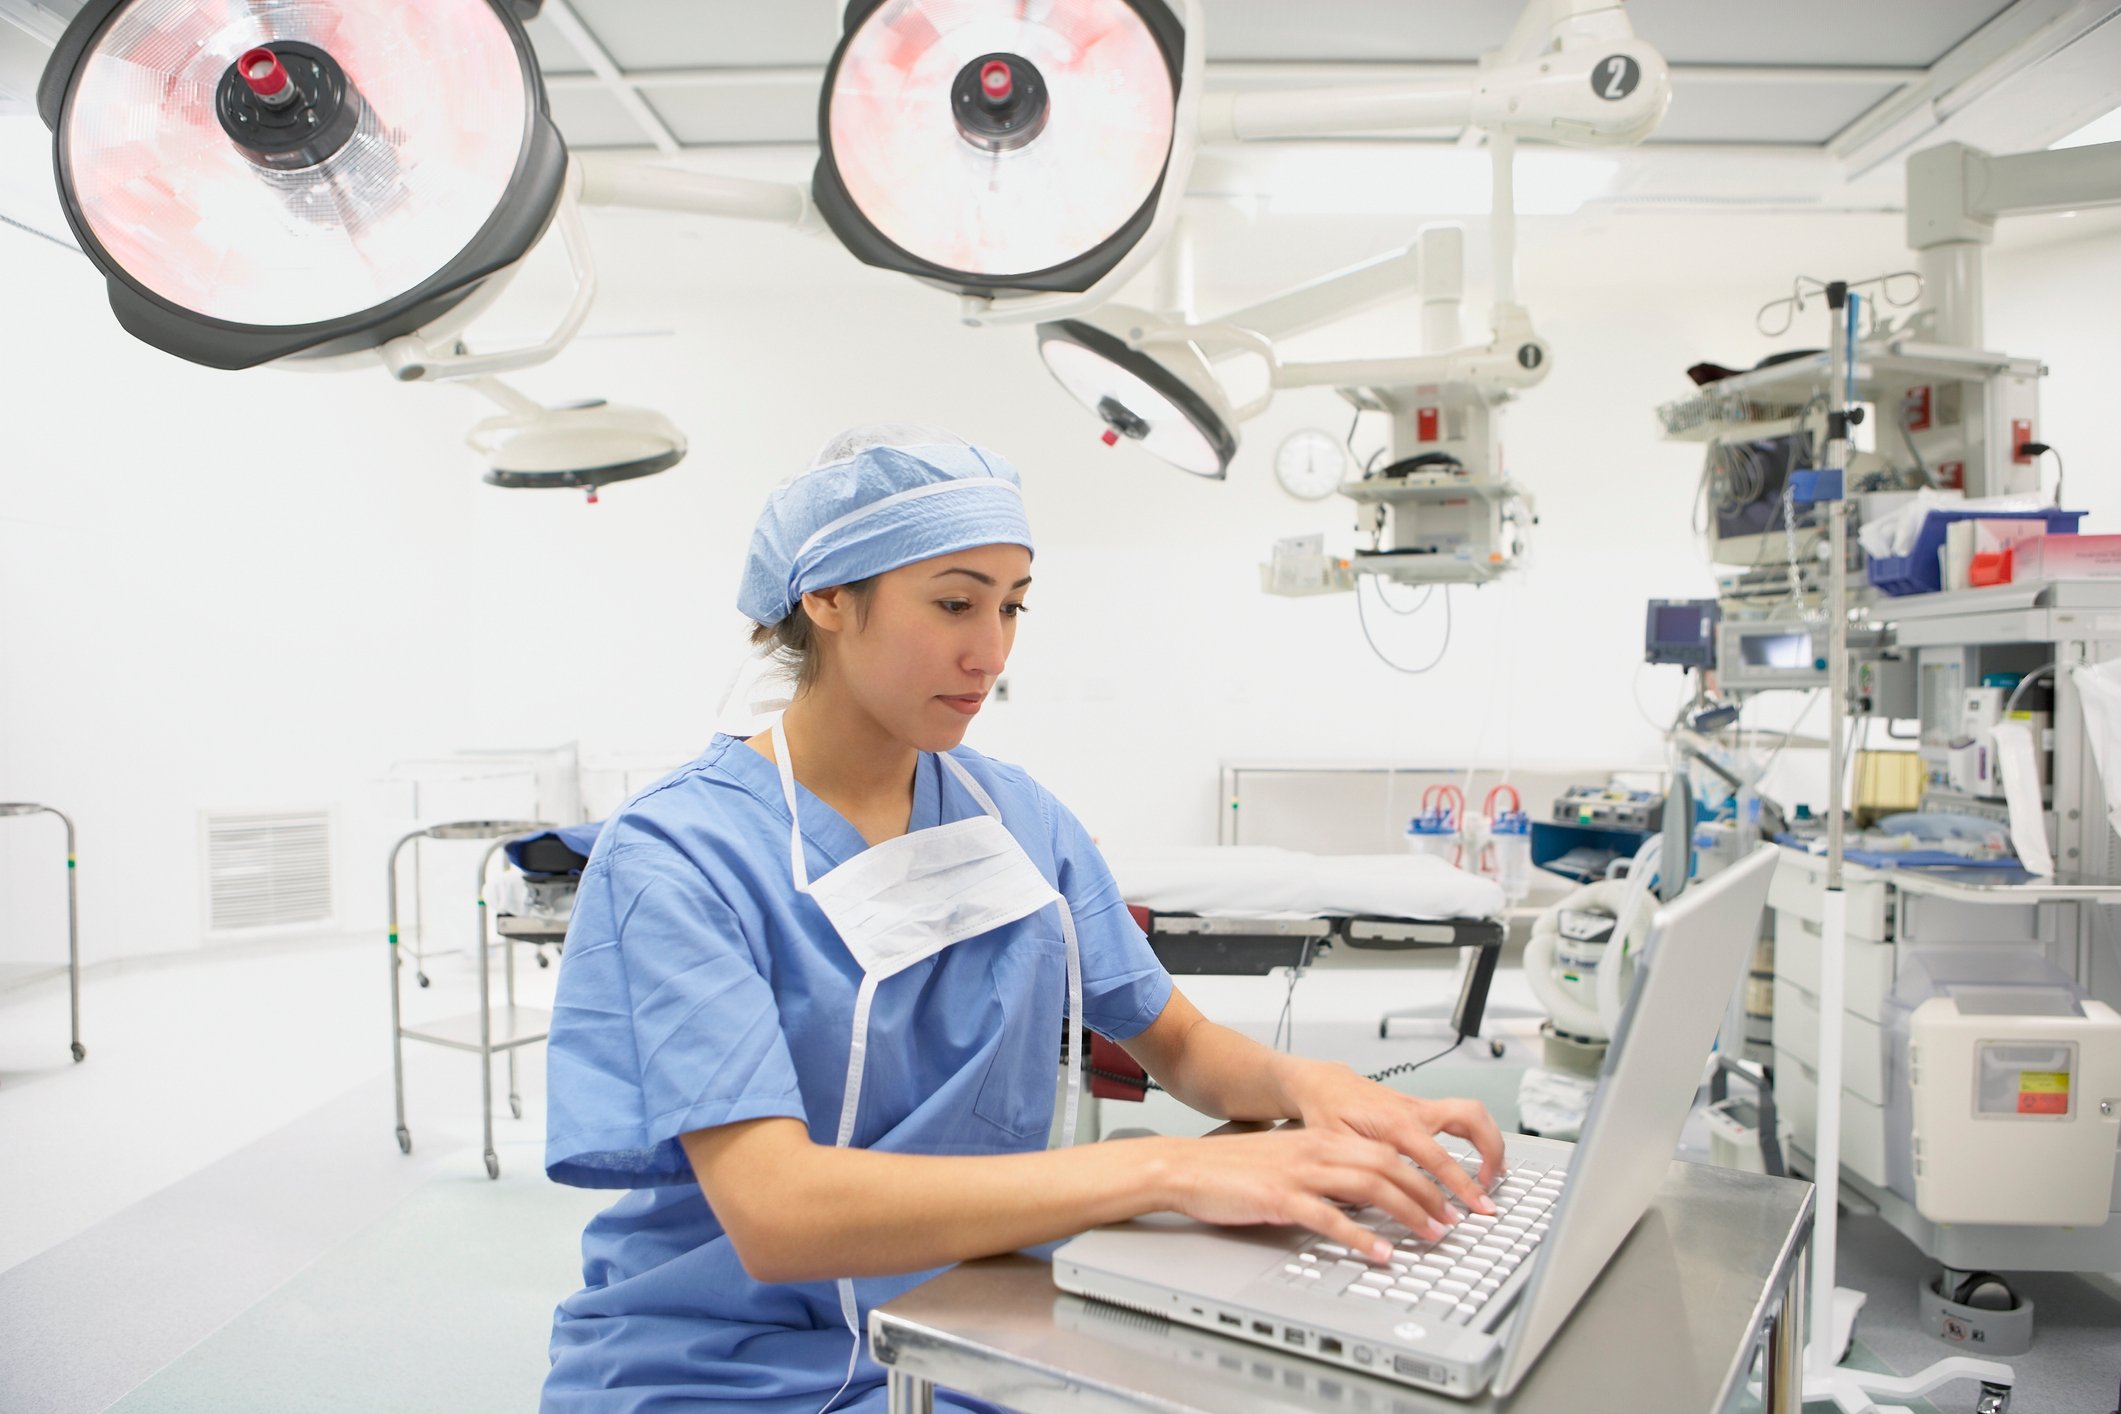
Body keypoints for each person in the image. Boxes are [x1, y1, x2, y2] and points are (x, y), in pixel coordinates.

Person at [541, 426, 1506, 1412]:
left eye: (1012, 606)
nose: (991, 652)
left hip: (967, 1318)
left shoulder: (1015, 817)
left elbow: (1177, 1041)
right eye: (955, 603)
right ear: (826, 598)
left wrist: (1309, 1084)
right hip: (722, 1364)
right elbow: (776, 1210)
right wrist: (1162, 1169)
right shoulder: (680, 854)